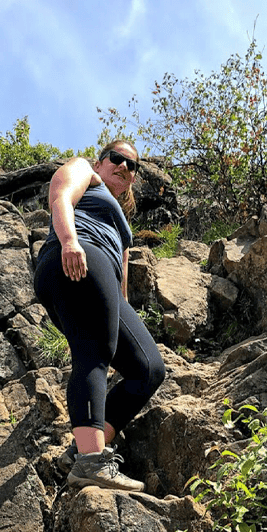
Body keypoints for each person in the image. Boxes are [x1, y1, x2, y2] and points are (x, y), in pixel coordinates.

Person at [33, 140, 165, 491]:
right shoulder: (83, 170)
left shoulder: (123, 228)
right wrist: (69, 241)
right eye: (117, 159)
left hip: (101, 273)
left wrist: (124, 320)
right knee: (93, 351)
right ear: (101, 161)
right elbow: (60, 197)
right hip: (75, 254)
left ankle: (84, 447)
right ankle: (92, 463)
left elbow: (119, 285)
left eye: (132, 165)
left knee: (148, 368)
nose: (124, 166)